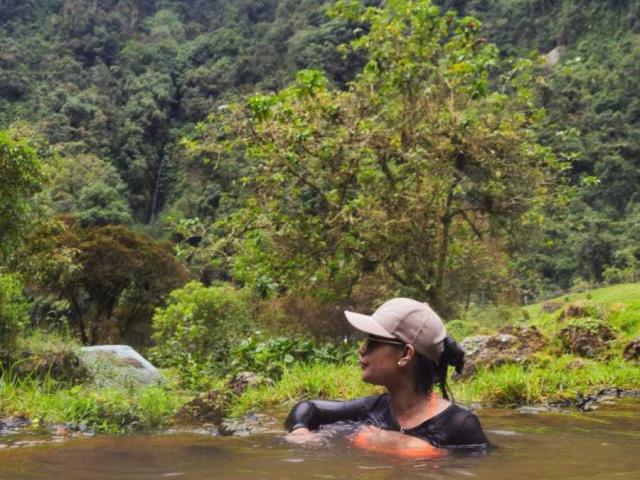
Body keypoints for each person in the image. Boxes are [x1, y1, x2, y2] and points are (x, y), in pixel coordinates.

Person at [284, 298, 488, 455]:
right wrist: (300, 430)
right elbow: (308, 408)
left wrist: (416, 449)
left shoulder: (461, 425)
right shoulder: (372, 409)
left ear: (405, 354)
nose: (362, 350)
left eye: (372, 342)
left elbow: (484, 466)